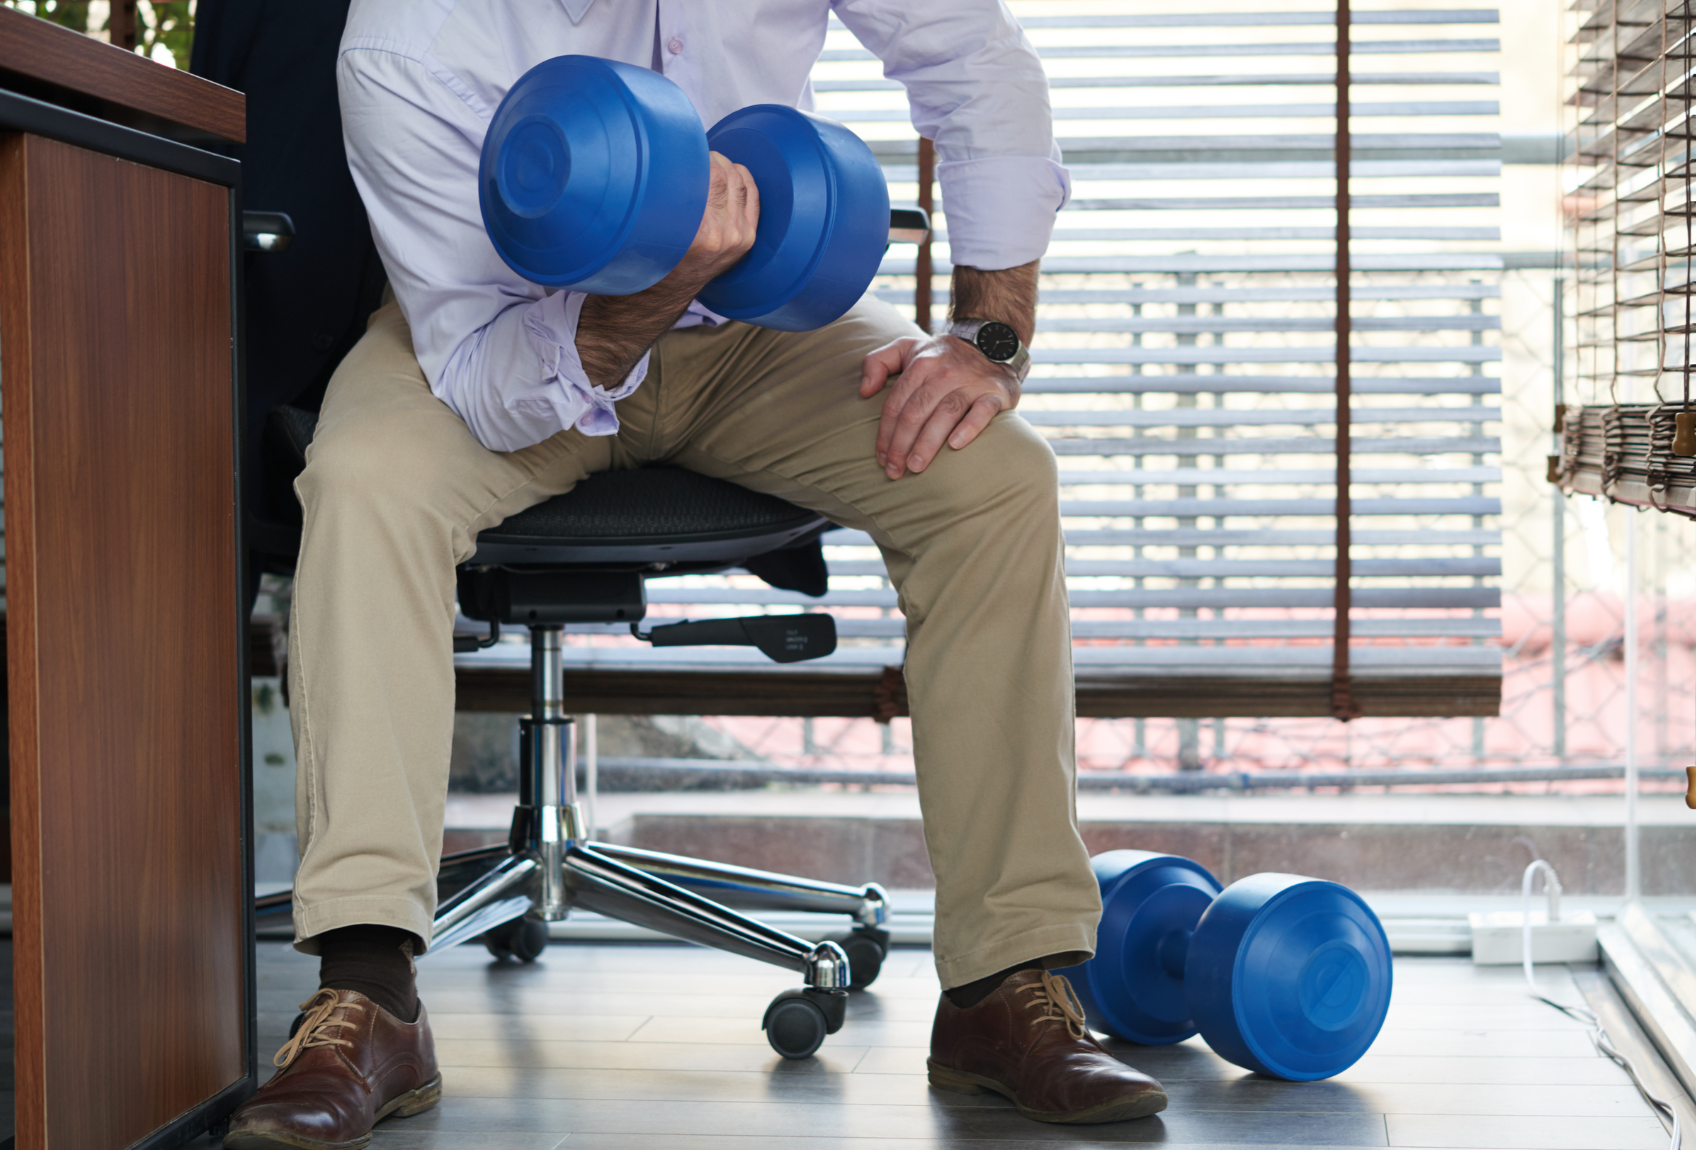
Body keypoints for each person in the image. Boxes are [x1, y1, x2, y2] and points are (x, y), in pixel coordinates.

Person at [224, 2, 1169, 1145]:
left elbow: (971, 55)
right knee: (368, 479)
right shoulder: (414, 33)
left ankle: (1002, 988)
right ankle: (369, 996)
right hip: (507, 331)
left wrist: (989, 335)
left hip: (762, 327)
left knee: (996, 478)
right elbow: (476, 370)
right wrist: (640, 301)